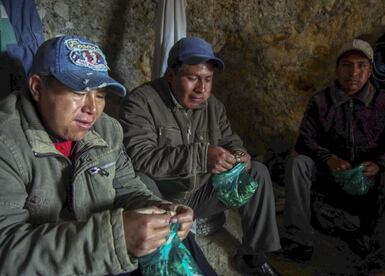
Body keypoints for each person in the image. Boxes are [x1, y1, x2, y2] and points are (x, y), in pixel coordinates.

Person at [0, 35, 194, 275]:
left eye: (100, 95)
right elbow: (6, 251)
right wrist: (113, 240)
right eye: (78, 91)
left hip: (97, 257)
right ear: (38, 88)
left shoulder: (107, 130)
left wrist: (160, 210)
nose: (92, 108)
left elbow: (126, 187)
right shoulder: (6, 144)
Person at [119, 37, 282, 276]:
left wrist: (239, 155)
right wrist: (201, 156)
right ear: (171, 75)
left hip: (199, 195)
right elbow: (138, 157)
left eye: (207, 79)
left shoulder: (213, 106)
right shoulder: (142, 102)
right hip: (163, 197)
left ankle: (254, 255)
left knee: (257, 171)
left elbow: (230, 140)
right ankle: (162, 252)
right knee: (142, 178)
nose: (201, 89)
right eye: (192, 78)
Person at [282, 39, 385, 268]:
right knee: (298, 163)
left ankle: (384, 256)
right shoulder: (320, 102)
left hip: (368, 184)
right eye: (347, 65)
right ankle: (298, 239)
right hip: (328, 180)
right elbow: (304, 141)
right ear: (337, 69)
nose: (354, 73)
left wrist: (379, 164)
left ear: (370, 70)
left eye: (361, 66)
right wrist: (328, 158)